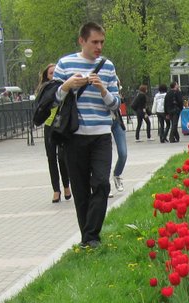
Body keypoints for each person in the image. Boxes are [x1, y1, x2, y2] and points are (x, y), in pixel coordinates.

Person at [53, 21, 120, 248]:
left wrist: (102, 89)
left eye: (102, 42)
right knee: (81, 190)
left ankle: (91, 235)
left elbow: (115, 105)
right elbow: (51, 100)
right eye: (94, 42)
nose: (99, 46)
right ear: (82, 41)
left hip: (101, 133)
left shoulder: (107, 66)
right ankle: (88, 240)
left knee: (101, 183)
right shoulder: (65, 63)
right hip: (74, 135)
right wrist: (67, 85)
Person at [36, 64, 71, 203]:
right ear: (47, 76)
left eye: (56, 73)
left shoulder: (65, 86)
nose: (53, 75)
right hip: (49, 125)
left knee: (62, 157)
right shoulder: (45, 90)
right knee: (51, 157)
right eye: (51, 73)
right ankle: (56, 190)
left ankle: (66, 186)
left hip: (61, 125)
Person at [110, 81, 127, 194]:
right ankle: (105, 184)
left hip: (116, 120)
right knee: (104, 155)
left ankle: (117, 174)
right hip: (103, 121)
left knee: (123, 153)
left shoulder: (114, 79)